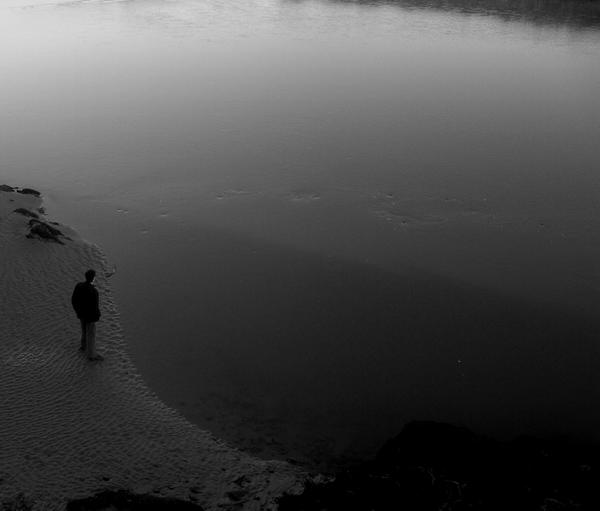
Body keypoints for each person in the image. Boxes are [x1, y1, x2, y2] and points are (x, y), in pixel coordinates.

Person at [71, 269, 103, 361]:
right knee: (91, 334)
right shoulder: (94, 292)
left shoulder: (79, 286)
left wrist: (77, 311)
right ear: (93, 278)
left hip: (81, 314)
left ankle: (83, 347)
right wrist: (97, 316)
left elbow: (73, 300)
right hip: (90, 316)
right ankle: (92, 355)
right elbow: (95, 307)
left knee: (84, 330)